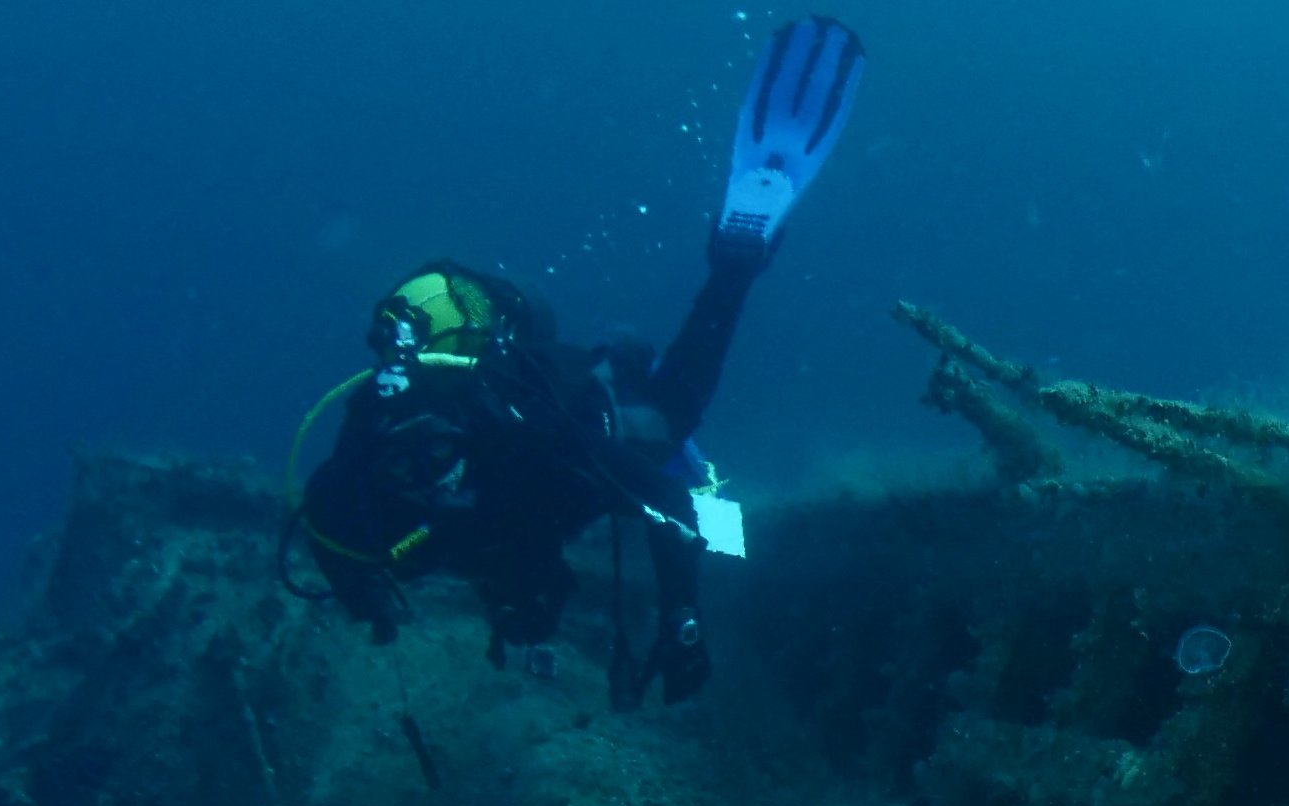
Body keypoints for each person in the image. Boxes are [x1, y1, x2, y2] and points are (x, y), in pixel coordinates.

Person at [290, 16, 864, 708]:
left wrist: (688, 607)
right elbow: (453, 545)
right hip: (571, 432)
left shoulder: (472, 436)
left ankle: (732, 271)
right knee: (641, 451)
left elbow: (659, 497)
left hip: (602, 423)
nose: (434, 478)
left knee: (675, 431)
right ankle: (711, 290)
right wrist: (399, 609)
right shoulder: (391, 469)